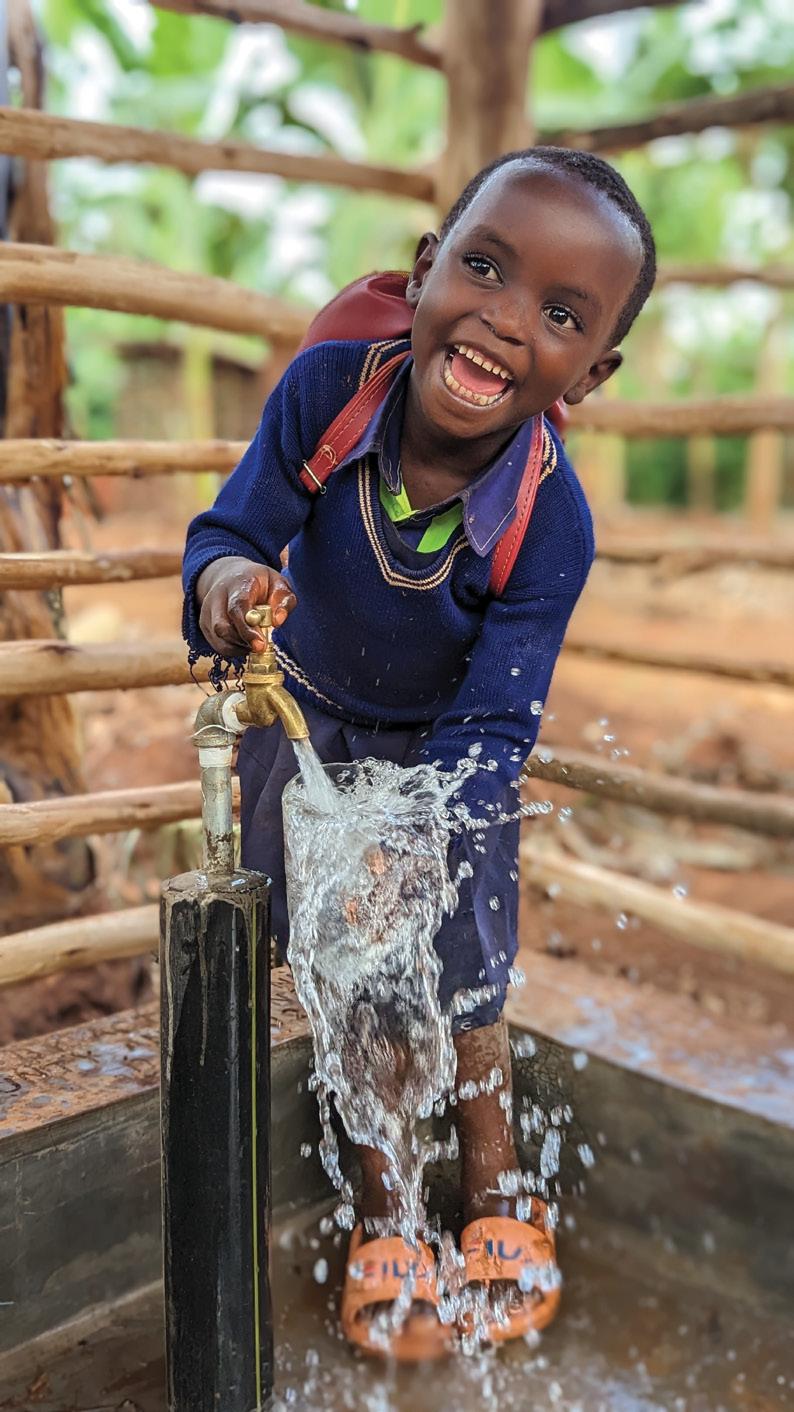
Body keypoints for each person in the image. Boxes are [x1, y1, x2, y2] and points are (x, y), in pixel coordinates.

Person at [182, 146, 656, 1359]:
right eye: (484, 269)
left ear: (589, 374)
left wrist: (423, 836)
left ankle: (496, 1184)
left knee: (465, 974)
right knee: (347, 971)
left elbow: (497, 719)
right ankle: (385, 1211)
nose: (505, 320)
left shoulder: (549, 519)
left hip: (451, 767)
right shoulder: (328, 397)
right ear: (426, 266)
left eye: (560, 315)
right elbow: (230, 530)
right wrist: (230, 584)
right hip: (309, 733)